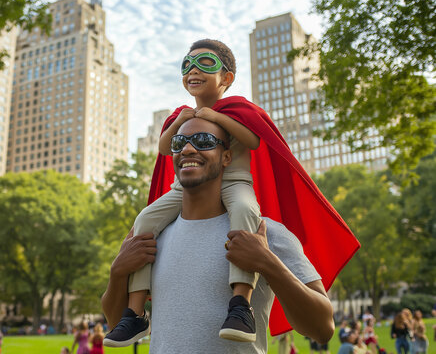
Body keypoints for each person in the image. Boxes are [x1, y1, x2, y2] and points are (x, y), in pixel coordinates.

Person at [102, 117, 335, 353]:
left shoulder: (265, 234)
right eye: (179, 143)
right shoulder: (151, 237)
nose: (188, 149)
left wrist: (267, 263)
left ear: (226, 157)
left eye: (204, 141)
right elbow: (115, 322)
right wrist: (117, 272)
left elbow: (323, 329)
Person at [104, 39, 264, 347]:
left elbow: (254, 141)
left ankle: (240, 304)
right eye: (187, 64)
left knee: (245, 212)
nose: (193, 70)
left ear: (226, 77)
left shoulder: (239, 109)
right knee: (145, 219)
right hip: (187, 186)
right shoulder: (183, 114)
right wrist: (180, 121)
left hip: (233, 183)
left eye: (205, 63)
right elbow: (165, 148)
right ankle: (135, 312)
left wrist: (216, 118)